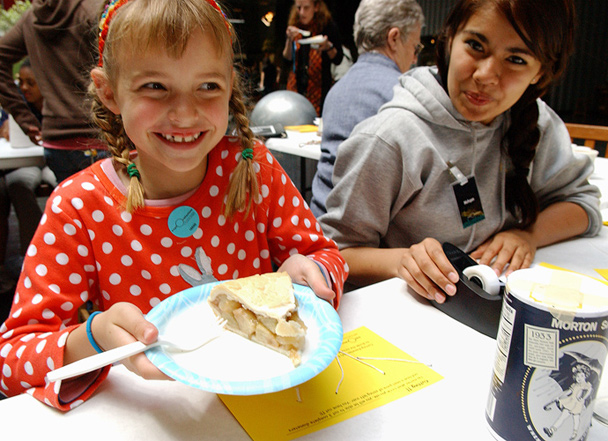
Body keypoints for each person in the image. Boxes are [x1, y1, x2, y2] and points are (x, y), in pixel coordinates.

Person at [0, 0, 347, 409]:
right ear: (109, 91)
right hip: (155, 413)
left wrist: (315, 270)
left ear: (230, 85)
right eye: (155, 87)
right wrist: (90, 338)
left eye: (207, 87)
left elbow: (323, 254)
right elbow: (11, 360)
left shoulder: (251, 169)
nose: (184, 114)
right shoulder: (78, 208)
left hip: (265, 400)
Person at [319, 0, 601, 302]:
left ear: (540, 73)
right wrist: (403, 261)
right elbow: (335, 252)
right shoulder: (391, 137)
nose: (485, 75)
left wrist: (527, 235)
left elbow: (583, 204)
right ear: (450, 38)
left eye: (516, 60)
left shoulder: (536, 123)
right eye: (476, 45)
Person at [310, 0, 424, 217]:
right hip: (362, 235)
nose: (415, 57)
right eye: (415, 47)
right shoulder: (403, 93)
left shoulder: (337, 90)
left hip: (318, 222)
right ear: (394, 38)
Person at [0, 0, 107, 184]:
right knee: (114, 210)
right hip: (100, 135)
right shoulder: (93, 9)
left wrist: (25, 120)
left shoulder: (32, 17)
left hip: (58, 142)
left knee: (72, 210)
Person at [0, 59, 57, 298]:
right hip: (26, 162)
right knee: (17, 185)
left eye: (31, 83)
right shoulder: (17, 105)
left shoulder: (59, 104)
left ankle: (55, 260)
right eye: (21, 82)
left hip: (52, 160)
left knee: (65, 190)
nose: (24, 87)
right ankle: (29, 261)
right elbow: (4, 126)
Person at [282, 0, 343, 115]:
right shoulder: (294, 26)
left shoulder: (327, 26)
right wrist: (289, 40)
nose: (301, 12)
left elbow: (338, 59)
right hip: (296, 85)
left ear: (316, 7)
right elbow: (286, 59)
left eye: (306, 8)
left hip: (319, 89)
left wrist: (328, 46)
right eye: (298, 8)